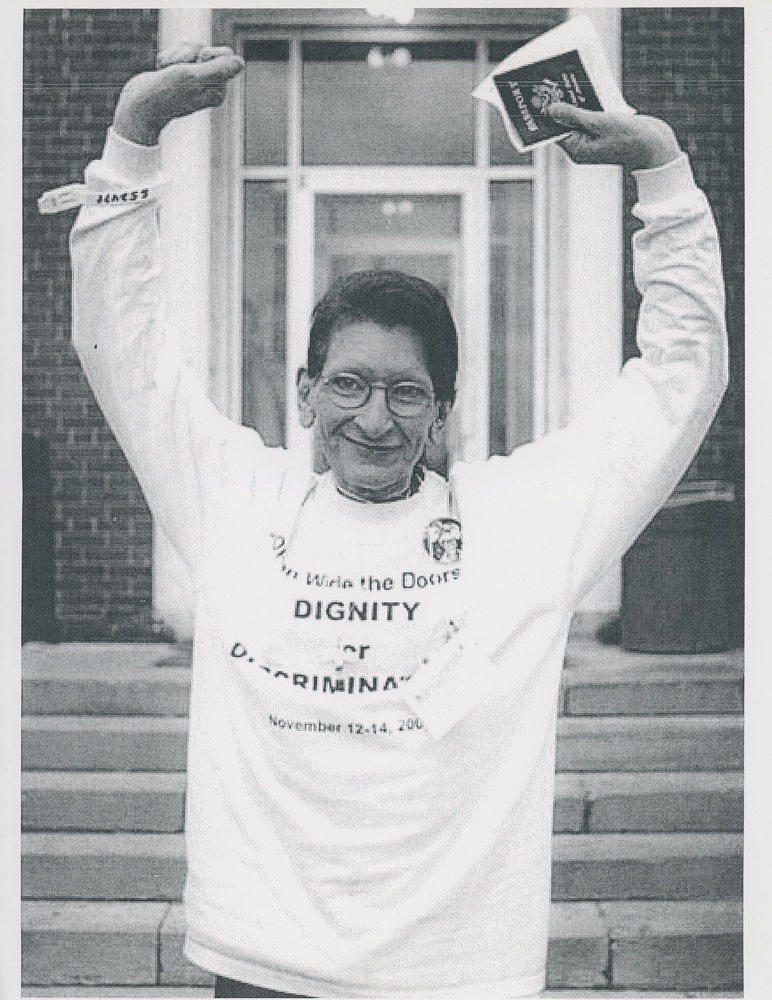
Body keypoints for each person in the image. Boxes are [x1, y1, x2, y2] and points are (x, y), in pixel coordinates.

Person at [66, 43, 727, 1000]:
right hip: (262, 961)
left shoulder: (518, 525)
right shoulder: (237, 504)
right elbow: (118, 348)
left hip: (456, 973)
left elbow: (680, 382)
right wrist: (131, 143)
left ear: (442, 408)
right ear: (303, 395)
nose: (375, 419)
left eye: (407, 393)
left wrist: (662, 175)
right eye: (349, 384)